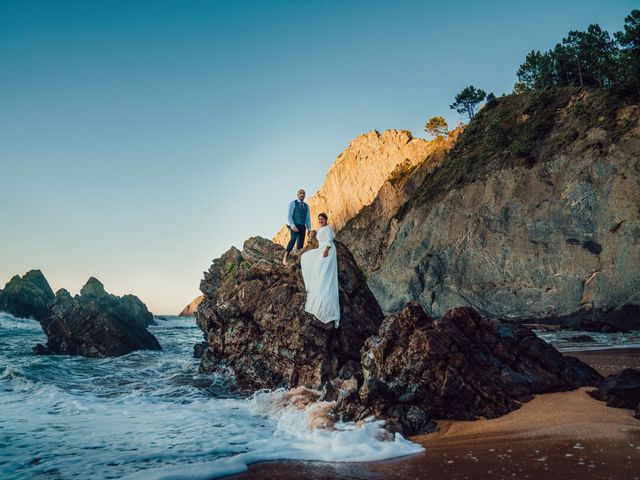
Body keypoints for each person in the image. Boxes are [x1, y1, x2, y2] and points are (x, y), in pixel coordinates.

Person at [300, 212, 340, 327]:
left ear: (326, 219)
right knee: (305, 257)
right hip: (321, 248)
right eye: (319, 219)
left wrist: (326, 250)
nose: (321, 220)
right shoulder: (321, 229)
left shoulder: (328, 228)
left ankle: (327, 302)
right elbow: (317, 231)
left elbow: (330, 238)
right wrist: (313, 232)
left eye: (322, 219)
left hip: (328, 250)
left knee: (324, 273)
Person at [283, 188, 312, 266]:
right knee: (293, 239)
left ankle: (298, 261)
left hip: (303, 226)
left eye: (303, 193)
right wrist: (292, 225)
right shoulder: (293, 203)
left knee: (300, 244)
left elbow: (308, 218)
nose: (302, 194)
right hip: (295, 225)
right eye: (300, 193)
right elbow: (289, 216)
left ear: (305, 195)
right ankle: (285, 258)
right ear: (297, 195)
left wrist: (309, 229)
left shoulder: (306, 206)